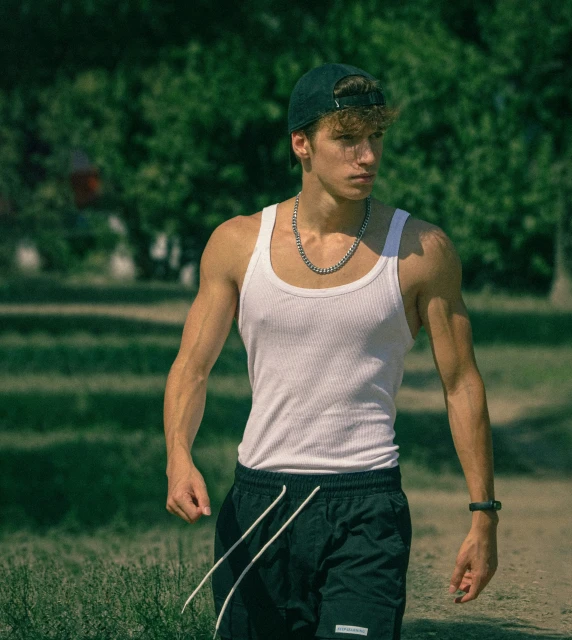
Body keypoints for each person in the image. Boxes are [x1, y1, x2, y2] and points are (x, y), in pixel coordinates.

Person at [164, 63, 499, 640]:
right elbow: (192, 367)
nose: (367, 156)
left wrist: (483, 514)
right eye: (346, 139)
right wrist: (178, 456)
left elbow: (461, 383)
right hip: (260, 502)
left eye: (375, 138)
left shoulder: (422, 251)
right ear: (302, 145)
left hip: (366, 506)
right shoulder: (237, 244)